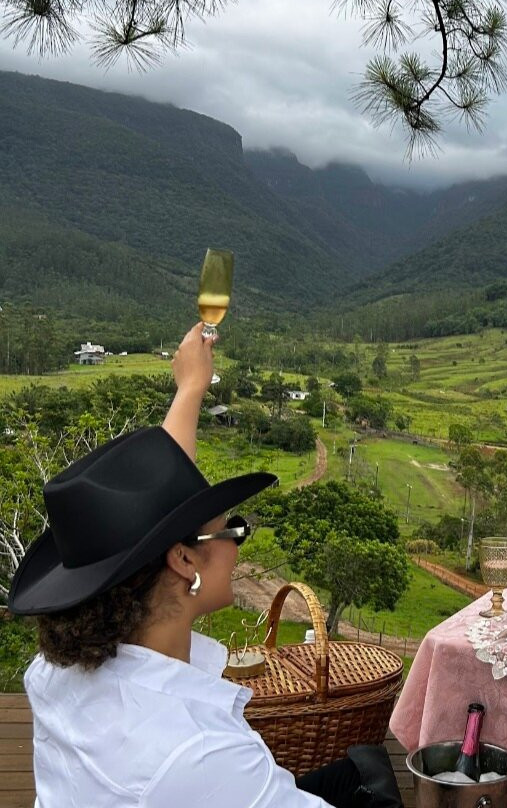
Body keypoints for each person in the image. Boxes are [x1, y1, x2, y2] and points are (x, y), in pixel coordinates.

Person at [7, 324, 401, 808]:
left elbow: (153, 518)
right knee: (374, 783)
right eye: (231, 529)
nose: (239, 546)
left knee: (362, 767)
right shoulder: (199, 754)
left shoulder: (54, 670)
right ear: (183, 560)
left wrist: (190, 388)